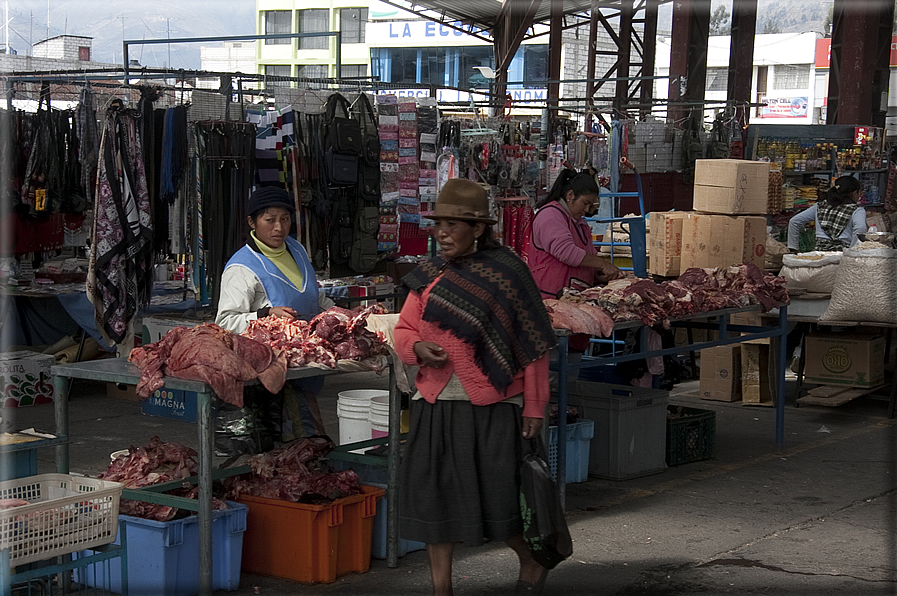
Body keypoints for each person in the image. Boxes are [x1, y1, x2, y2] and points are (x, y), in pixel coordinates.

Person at [394, 179, 558, 596]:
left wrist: (535, 407)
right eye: (438, 225)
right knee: (435, 498)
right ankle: (441, 589)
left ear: (478, 229)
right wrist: (415, 347)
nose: (442, 233)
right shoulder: (428, 276)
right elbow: (403, 329)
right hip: (435, 402)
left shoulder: (508, 274)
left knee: (498, 499)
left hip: (491, 405)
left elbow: (534, 345)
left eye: (452, 225)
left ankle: (530, 559)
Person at [216, 186, 334, 445]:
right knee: (277, 449)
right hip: (266, 380)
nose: (279, 228)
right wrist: (265, 314)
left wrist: (339, 315)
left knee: (306, 448)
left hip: (303, 366)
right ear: (252, 222)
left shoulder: (297, 250)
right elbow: (224, 322)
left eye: (285, 219)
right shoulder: (241, 268)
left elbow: (316, 297)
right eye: (269, 220)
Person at [530, 168, 625, 299]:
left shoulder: (579, 222)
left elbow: (585, 258)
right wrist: (603, 264)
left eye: (590, 206)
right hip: (550, 299)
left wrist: (598, 275)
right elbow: (566, 252)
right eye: (585, 203)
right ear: (570, 195)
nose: (587, 210)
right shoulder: (550, 215)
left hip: (574, 298)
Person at [787, 175, 866, 252]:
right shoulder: (857, 210)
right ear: (855, 193)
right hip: (841, 255)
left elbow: (794, 221)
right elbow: (860, 228)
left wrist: (793, 248)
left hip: (819, 254)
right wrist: (853, 250)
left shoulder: (819, 206)